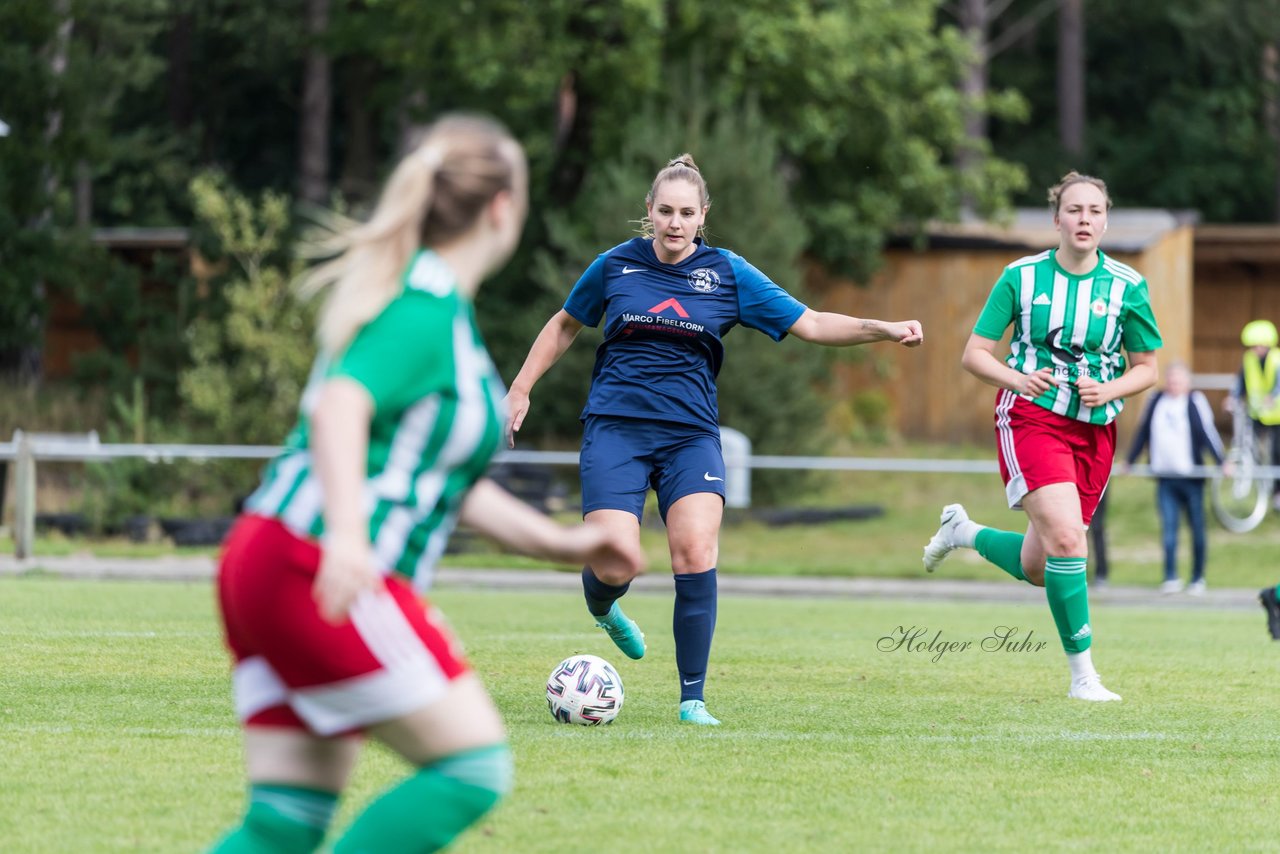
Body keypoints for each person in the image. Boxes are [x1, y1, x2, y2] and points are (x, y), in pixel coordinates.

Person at [209, 115, 643, 854]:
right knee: (473, 767)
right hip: (318, 564)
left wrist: (568, 542)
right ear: (502, 208)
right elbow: (341, 405)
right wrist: (347, 538)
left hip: (270, 558)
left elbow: (446, 481)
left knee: (283, 826)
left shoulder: (436, 310)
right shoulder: (425, 307)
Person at [505, 154, 923, 725]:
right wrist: (521, 387)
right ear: (648, 212)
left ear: (703, 215)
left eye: (686, 213)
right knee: (613, 562)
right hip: (616, 428)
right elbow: (564, 324)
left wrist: (884, 328)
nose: (674, 223)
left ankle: (692, 700)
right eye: (664, 211)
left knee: (696, 551)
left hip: (691, 436)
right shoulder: (614, 267)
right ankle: (605, 606)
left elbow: (813, 323)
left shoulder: (727, 273)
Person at [922, 171, 1161, 702]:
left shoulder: (1127, 285)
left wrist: (1112, 387)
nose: (1084, 220)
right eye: (1074, 210)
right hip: (1031, 417)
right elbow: (975, 355)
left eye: (1095, 211)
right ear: (1057, 219)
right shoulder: (1021, 278)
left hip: (1095, 432)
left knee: (1039, 565)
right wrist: (1019, 379)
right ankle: (1084, 679)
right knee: (1070, 543)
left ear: (1105, 219)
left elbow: (1148, 368)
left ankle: (962, 532)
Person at [1123, 361, 1226, 594]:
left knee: (1197, 529)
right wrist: (1130, 459)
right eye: (1171, 381)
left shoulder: (1194, 401)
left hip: (1192, 478)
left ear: (1187, 383)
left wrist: (1222, 461)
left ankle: (1198, 577)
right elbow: (1143, 431)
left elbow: (1206, 432)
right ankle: (1170, 575)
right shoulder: (1157, 400)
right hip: (1165, 478)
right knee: (1169, 529)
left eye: (1179, 381)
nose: (1174, 385)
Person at [1228, 319, 1280, 507]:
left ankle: (1277, 492)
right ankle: (1260, 488)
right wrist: (1232, 397)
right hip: (1257, 414)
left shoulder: (1277, 359)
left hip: (1277, 416)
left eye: (1258, 345)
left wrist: (1272, 397)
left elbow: (1278, 384)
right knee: (1254, 451)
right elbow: (1240, 382)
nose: (1254, 349)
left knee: (1277, 454)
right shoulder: (1249, 359)